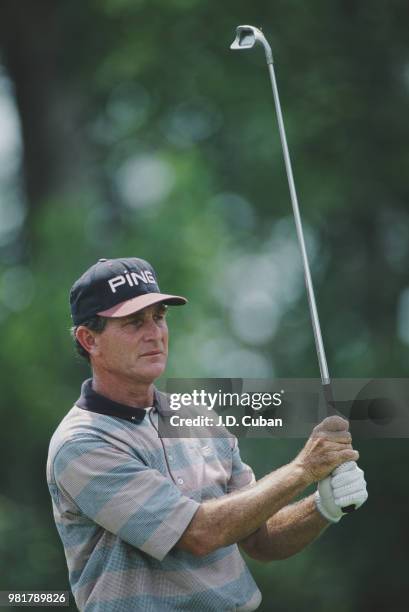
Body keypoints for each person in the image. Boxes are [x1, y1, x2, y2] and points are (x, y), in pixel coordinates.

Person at [46, 257, 368, 611]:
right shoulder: (82, 443)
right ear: (89, 338)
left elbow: (261, 537)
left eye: (159, 317)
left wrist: (324, 506)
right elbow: (198, 533)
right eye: (133, 322)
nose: (154, 333)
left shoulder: (197, 417)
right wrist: (304, 469)